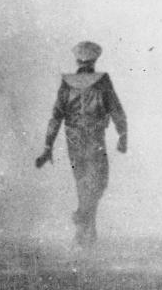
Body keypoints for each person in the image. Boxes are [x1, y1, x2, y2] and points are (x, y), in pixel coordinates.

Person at [35, 41, 127, 246]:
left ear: (77, 60)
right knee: (98, 182)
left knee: (82, 182)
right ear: (95, 60)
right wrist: (123, 134)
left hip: (73, 138)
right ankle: (86, 224)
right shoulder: (102, 81)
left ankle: (84, 224)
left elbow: (56, 115)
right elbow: (116, 108)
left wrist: (48, 146)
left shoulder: (67, 83)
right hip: (95, 137)